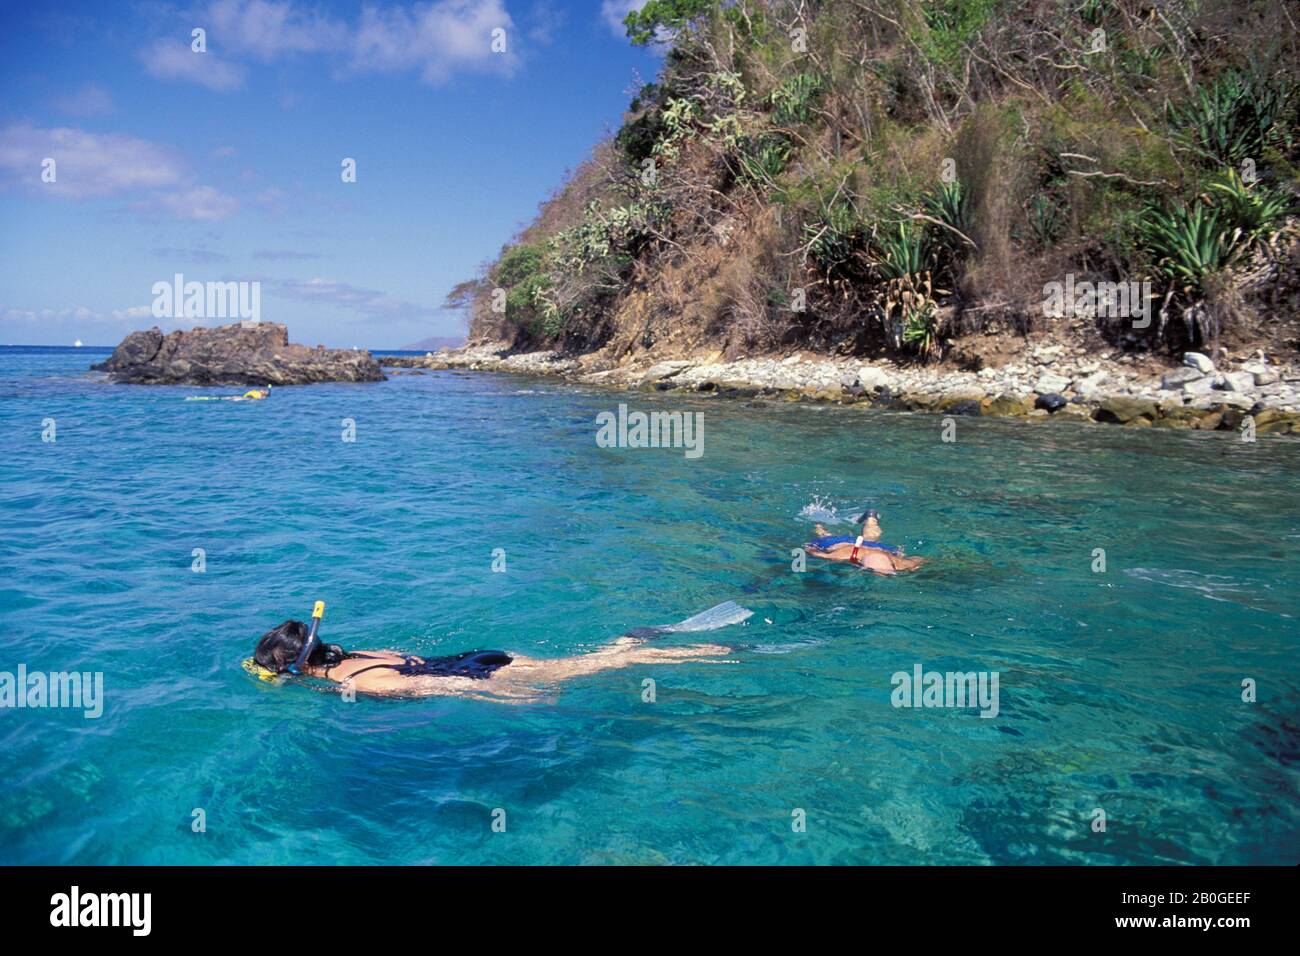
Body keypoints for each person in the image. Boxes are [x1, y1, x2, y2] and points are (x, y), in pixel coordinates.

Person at [244, 602, 751, 700]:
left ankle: (709, 649)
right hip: (482, 655)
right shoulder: (358, 655)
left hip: (476, 677)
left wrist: (507, 698)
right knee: (584, 661)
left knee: (596, 669)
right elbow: (415, 659)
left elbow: (434, 686)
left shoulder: (359, 684)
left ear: (298, 666)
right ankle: (630, 640)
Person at [806, 509, 925, 576]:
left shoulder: (901, 563)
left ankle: (871, 519)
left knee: (870, 540)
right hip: (844, 544)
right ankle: (818, 524)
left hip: (882, 549)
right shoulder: (901, 563)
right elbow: (816, 552)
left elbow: (919, 560)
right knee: (824, 537)